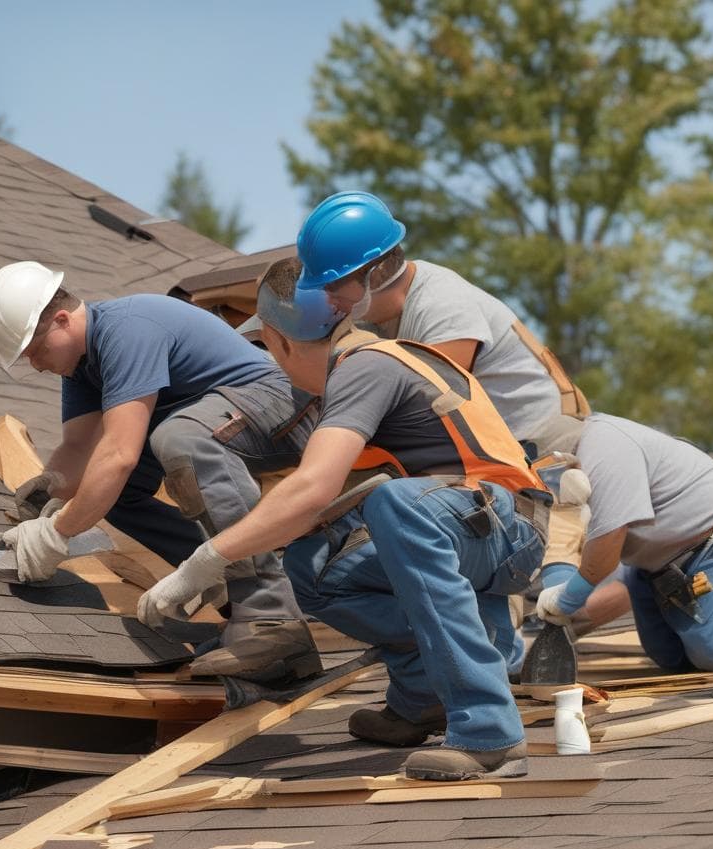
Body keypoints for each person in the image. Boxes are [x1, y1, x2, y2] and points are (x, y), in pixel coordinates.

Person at [138, 257, 554, 781]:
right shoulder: (360, 367)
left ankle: (488, 733)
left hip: (509, 530)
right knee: (316, 563)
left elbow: (313, 487)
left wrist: (207, 559)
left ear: (277, 338)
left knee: (396, 507)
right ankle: (423, 693)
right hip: (472, 526)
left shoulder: (365, 368)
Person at [0, 260, 321, 682]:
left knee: (178, 440)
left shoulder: (126, 330)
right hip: (217, 422)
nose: (36, 366)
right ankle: (240, 612)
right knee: (117, 494)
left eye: (36, 351)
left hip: (280, 405)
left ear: (63, 320)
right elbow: (80, 447)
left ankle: (270, 617)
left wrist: (56, 535)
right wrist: (51, 493)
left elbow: (120, 453)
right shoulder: (83, 364)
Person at [295, 191, 591, 458]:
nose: (328, 298)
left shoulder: (444, 306)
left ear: (374, 274)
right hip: (500, 452)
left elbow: (429, 408)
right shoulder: (372, 319)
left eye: (333, 285)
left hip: (546, 447)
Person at [537, 414, 713, 672]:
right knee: (670, 656)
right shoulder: (556, 482)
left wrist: (567, 599)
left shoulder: (605, 448)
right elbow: (561, 540)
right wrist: (554, 602)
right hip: (659, 566)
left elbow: (604, 552)